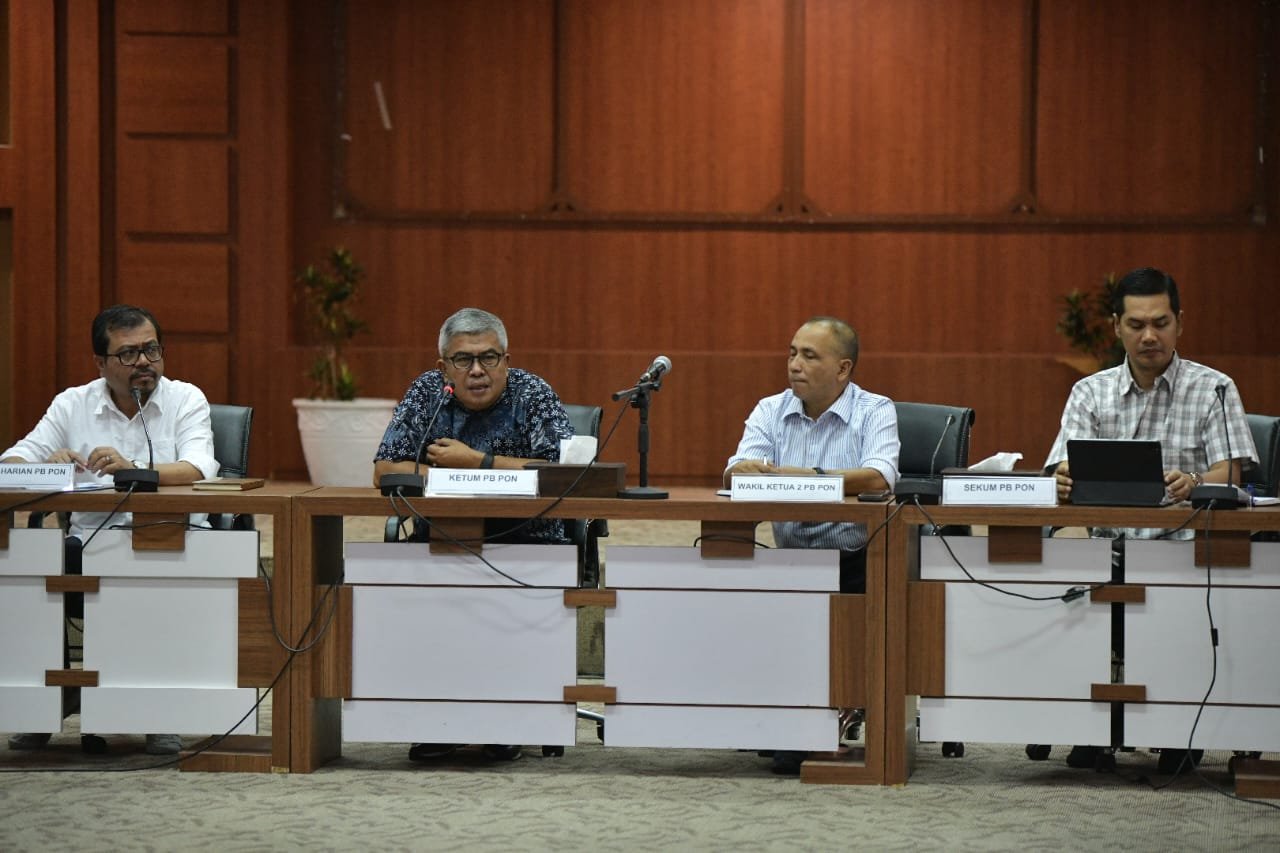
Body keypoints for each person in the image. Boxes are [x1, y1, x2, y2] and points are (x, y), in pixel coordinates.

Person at [1042, 267, 1257, 774]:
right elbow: (1061, 468)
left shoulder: (1215, 389)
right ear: (1116, 326)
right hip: (1105, 537)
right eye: (1136, 324)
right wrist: (1066, 478)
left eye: (1160, 322)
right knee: (1066, 543)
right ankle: (1087, 721)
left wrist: (1195, 480)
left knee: (1174, 568)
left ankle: (1176, 725)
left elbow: (1231, 472)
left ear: (1180, 322)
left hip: (1178, 538)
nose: (1149, 335)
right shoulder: (1090, 392)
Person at [3, 304, 219, 756]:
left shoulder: (185, 399)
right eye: (128, 354)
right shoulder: (72, 404)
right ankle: (45, 702)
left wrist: (134, 469)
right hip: (91, 545)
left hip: (171, 541)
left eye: (151, 349)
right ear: (100, 363)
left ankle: (154, 712)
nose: (144, 362)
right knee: (30, 572)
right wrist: (46, 464)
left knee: (142, 569)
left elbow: (200, 466)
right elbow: (10, 463)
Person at [374, 307, 574, 763]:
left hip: (529, 544)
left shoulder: (533, 392)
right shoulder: (426, 393)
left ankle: (504, 720)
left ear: (507, 359)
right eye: (463, 360)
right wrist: (450, 475)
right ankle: (440, 722)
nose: (478, 371)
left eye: (490, 357)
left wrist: (475, 463)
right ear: (442, 365)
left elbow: (563, 474)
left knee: (494, 596)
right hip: (442, 541)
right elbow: (386, 467)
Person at [724, 316, 900, 774]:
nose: (794, 365)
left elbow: (879, 476)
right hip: (791, 559)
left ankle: (840, 707)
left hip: (858, 560)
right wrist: (744, 470)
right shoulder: (771, 408)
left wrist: (800, 478)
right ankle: (784, 713)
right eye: (791, 353)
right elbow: (736, 468)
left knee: (791, 753)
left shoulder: (875, 409)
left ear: (843, 369)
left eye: (809, 355)